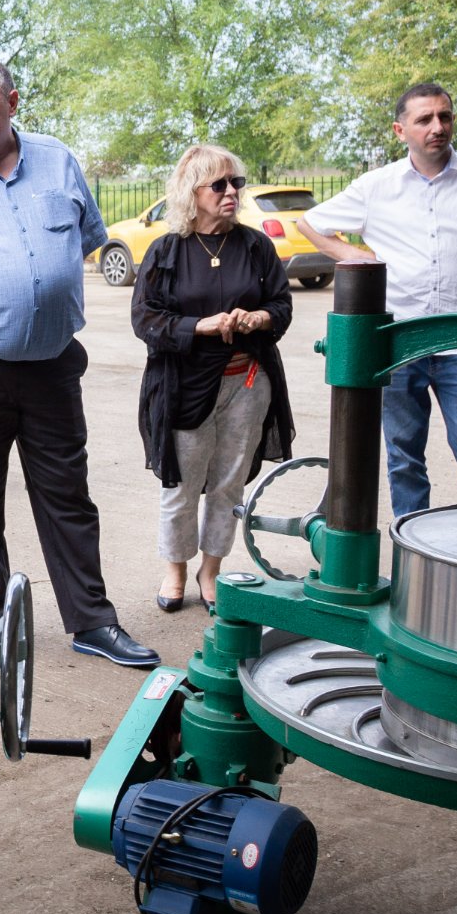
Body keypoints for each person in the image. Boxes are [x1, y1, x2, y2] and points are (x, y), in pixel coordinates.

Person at [0, 58, 157, 668]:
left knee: (68, 495)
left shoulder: (58, 160)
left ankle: (92, 621)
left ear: (12, 103)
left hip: (52, 365)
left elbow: (85, 242)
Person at [298, 82, 457, 518]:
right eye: (424, 119)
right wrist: (358, 257)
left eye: (444, 116)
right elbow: (310, 223)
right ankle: (412, 546)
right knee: (404, 458)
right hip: (400, 344)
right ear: (400, 130)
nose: (437, 127)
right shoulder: (376, 187)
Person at [131, 145, 296, 612]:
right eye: (219, 184)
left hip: (248, 383)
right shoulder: (166, 250)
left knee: (228, 484)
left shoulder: (255, 246)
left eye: (236, 183)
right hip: (185, 387)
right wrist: (198, 326)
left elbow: (282, 306)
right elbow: (145, 319)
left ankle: (211, 570)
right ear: (192, 192)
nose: (231, 192)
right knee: (181, 486)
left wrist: (259, 318)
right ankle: (175, 570)